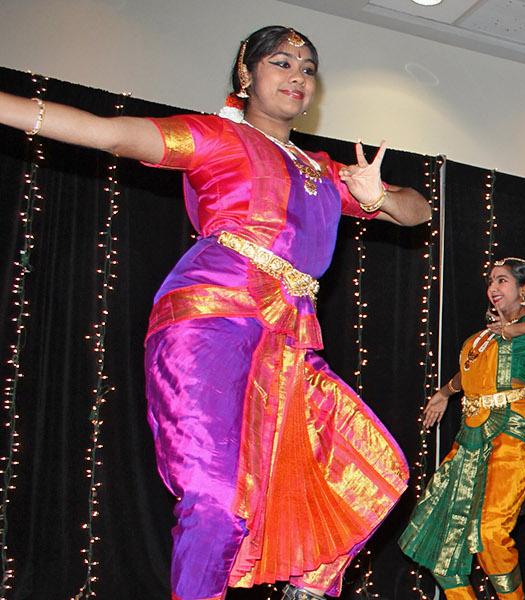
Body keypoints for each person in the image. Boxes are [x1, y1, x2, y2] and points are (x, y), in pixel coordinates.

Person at [1, 26, 432, 599]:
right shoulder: (217, 137)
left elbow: (417, 211)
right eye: (281, 63)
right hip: (211, 314)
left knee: (370, 470)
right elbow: (106, 135)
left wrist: (376, 195)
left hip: (287, 334)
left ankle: (306, 585)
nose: (297, 75)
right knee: (217, 496)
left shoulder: (326, 171)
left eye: (307, 68)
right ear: (245, 76)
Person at [400, 257, 525, 600]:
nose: (493, 288)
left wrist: (516, 328)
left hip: (513, 432)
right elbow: (467, 377)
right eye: (491, 282)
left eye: (503, 281)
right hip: (470, 439)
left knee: (489, 531)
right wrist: (443, 393)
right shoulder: (479, 339)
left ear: (524, 289)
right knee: (440, 541)